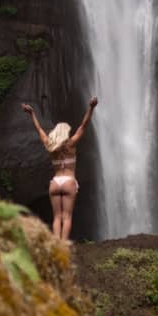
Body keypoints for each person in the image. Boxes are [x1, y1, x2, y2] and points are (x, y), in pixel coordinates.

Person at [21, 97, 98, 241]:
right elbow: (84, 125)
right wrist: (91, 108)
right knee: (66, 217)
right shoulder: (71, 144)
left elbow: (39, 130)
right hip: (69, 181)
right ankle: (64, 246)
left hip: (55, 183)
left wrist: (32, 114)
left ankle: (56, 246)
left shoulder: (50, 146)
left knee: (57, 217)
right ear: (66, 133)